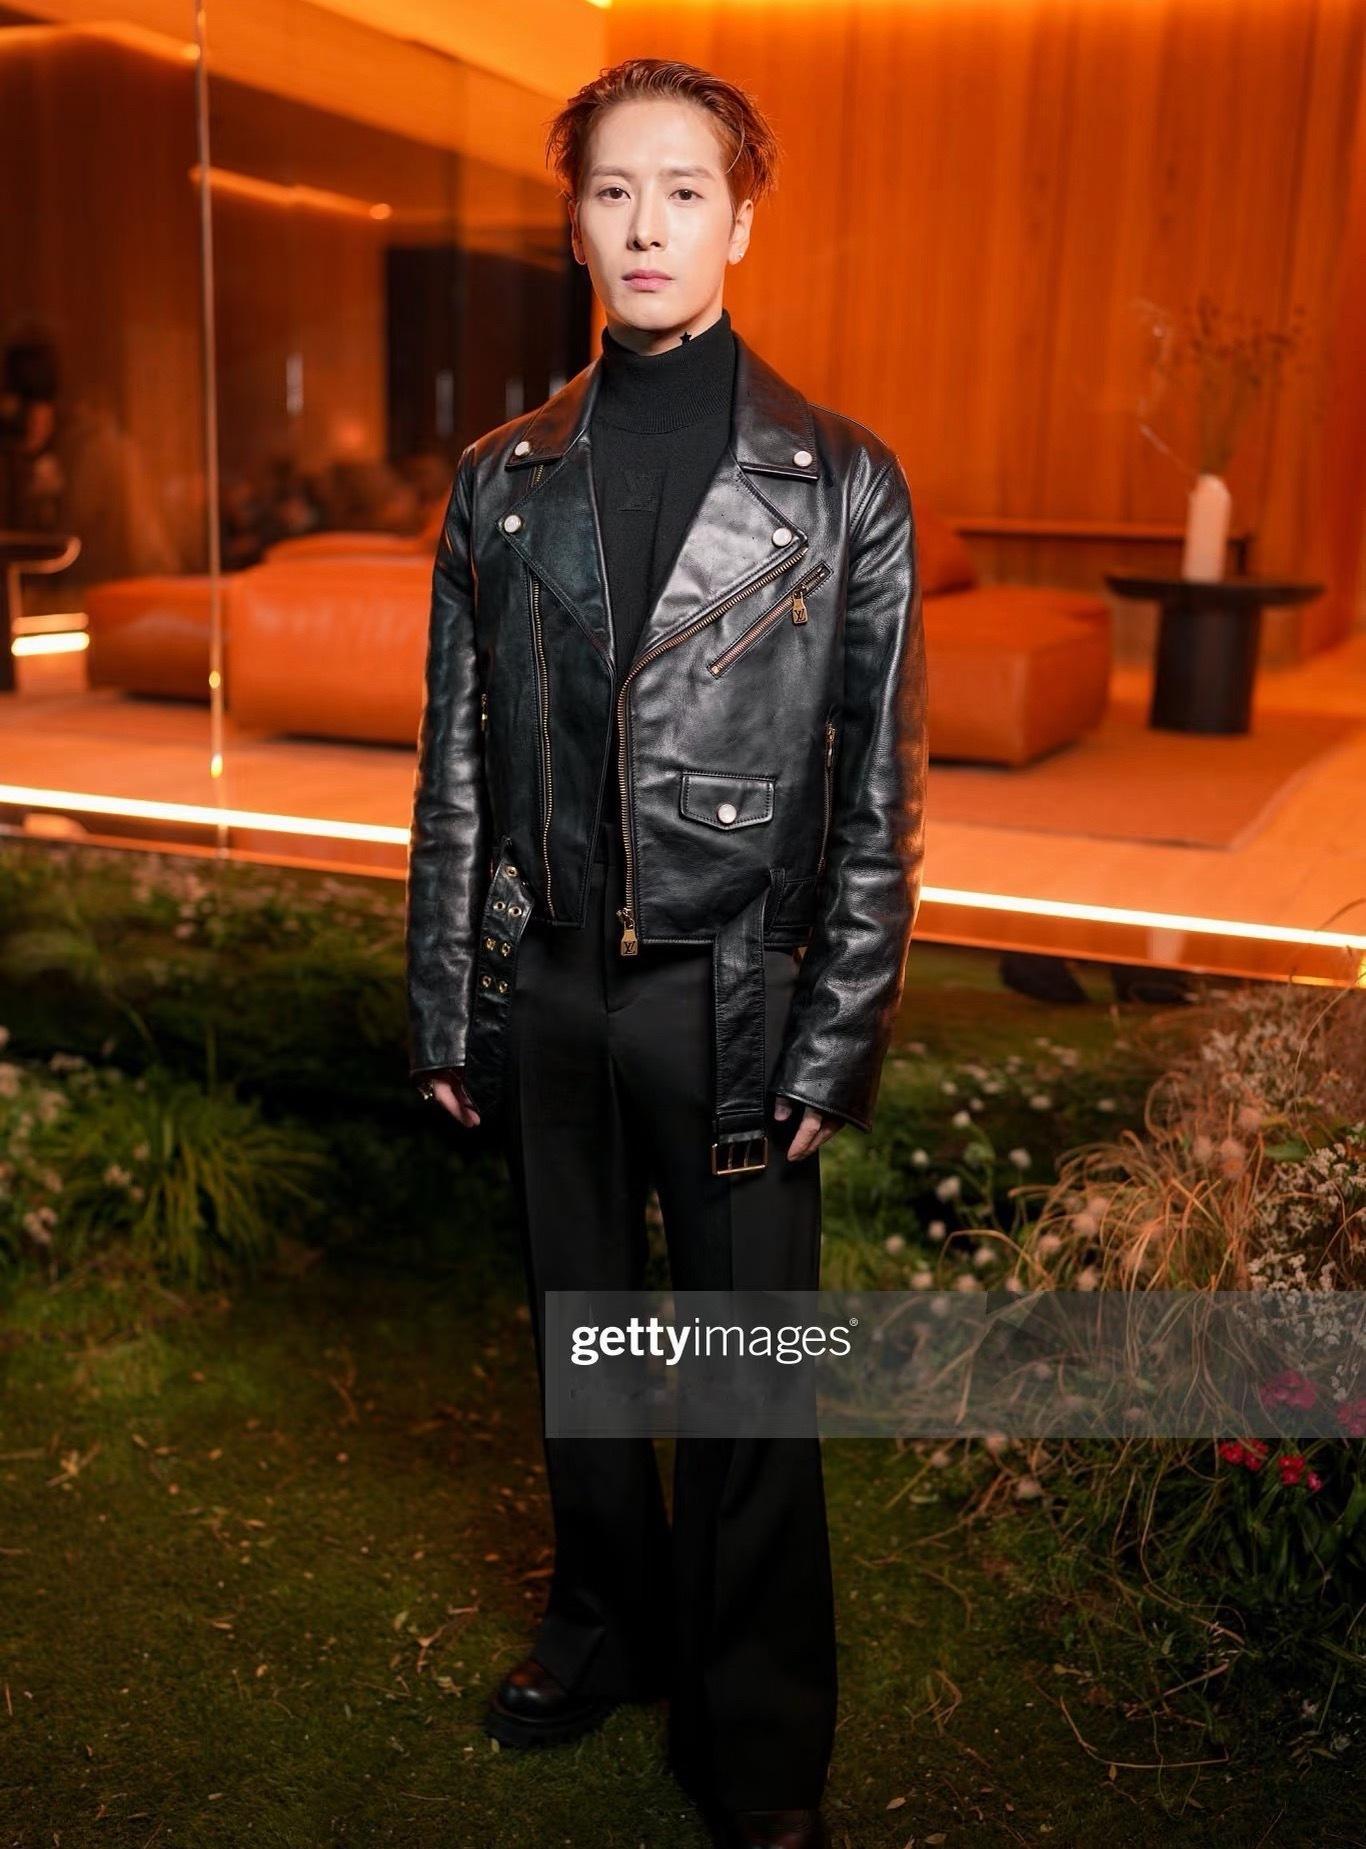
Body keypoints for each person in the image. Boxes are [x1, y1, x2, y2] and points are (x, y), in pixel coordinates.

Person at [404, 58, 928, 1849]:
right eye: (613, 190)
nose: (646, 224)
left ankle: (755, 1733)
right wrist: (449, 995)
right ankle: (605, 1623)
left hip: (737, 994)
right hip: (549, 978)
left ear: (739, 221)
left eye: (683, 190)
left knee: (747, 1382)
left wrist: (832, 1036)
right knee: (586, 1340)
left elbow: (880, 790)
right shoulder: (500, 480)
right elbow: (456, 760)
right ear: (574, 223)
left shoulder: (841, 483)